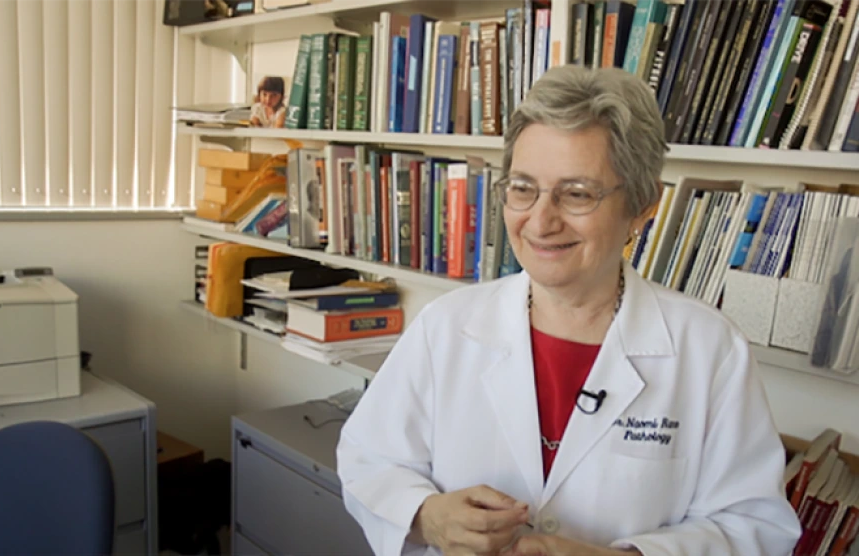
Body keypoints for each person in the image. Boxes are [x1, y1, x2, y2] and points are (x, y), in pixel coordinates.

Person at [336, 66, 801, 556]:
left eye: (577, 193)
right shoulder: (446, 326)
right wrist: (426, 517)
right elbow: (368, 460)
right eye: (522, 187)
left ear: (643, 206)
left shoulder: (709, 349)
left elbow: (755, 526)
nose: (540, 220)